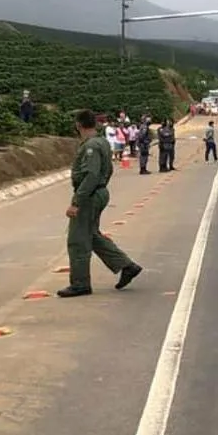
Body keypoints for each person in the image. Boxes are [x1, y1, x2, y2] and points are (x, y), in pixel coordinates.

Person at [57, 109, 142, 298]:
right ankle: (126, 266)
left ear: (78, 125)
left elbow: (91, 175)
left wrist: (77, 201)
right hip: (98, 192)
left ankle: (80, 283)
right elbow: (108, 169)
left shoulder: (91, 146)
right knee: (92, 235)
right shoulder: (102, 142)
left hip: (89, 195)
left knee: (78, 240)